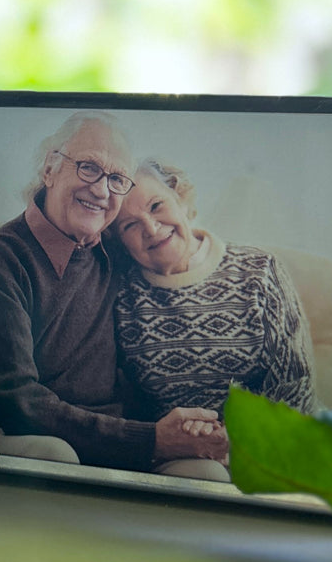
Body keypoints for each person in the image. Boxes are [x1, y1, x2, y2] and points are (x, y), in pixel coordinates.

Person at [0, 114, 228, 473]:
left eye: (117, 179)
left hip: (109, 438)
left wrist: (196, 429)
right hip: (11, 432)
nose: (101, 191)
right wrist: (150, 440)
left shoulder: (114, 252)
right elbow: (17, 401)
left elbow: (171, 253)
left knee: (204, 473)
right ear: (50, 170)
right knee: (57, 457)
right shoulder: (0, 256)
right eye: (88, 168)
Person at [111, 160, 317, 424]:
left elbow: (296, 385)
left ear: (181, 198)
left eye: (156, 206)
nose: (151, 229)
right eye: (129, 225)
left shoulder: (259, 270)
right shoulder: (122, 296)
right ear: (119, 241)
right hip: (180, 453)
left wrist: (232, 441)